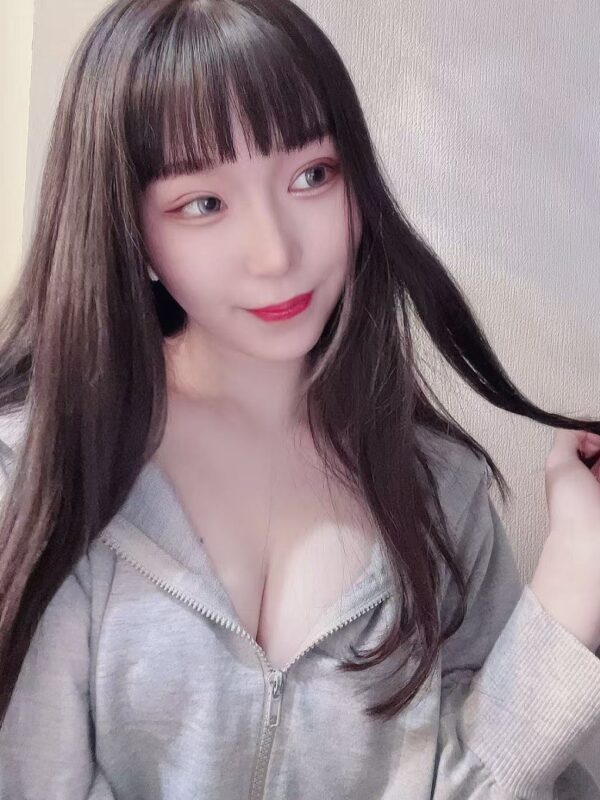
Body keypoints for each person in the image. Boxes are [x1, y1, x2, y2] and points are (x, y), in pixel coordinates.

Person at [0, 0, 599, 797]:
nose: (276, 252)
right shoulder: (34, 473)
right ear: (130, 230)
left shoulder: (437, 489)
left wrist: (578, 565)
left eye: (312, 175)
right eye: (203, 203)